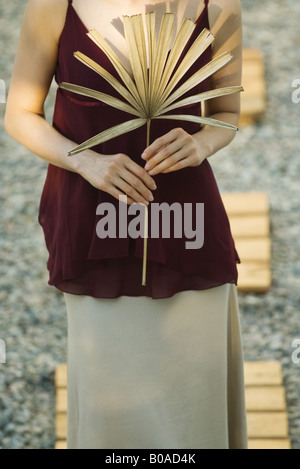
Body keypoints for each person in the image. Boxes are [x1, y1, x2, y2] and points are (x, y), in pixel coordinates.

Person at [5, 0, 248, 449]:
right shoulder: (55, 5)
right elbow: (19, 114)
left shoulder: (219, 5)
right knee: (107, 407)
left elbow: (227, 116)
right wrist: (86, 161)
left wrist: (200, 145)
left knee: (195, 401)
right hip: (94, 220)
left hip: (187, 223)